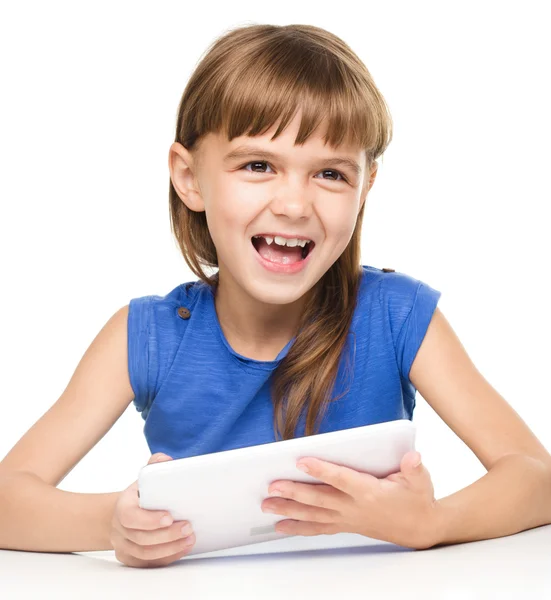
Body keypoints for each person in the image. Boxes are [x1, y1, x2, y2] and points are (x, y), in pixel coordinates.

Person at [1, 23, 550, 570]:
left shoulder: (398, 317)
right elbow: (8, 501)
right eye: (259, 165)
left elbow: (536, 477)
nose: (293, 204)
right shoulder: (146, 336)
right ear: (189, 178)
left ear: (365, 190)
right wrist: (115, 523)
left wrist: (433, 523)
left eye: (331, 174)